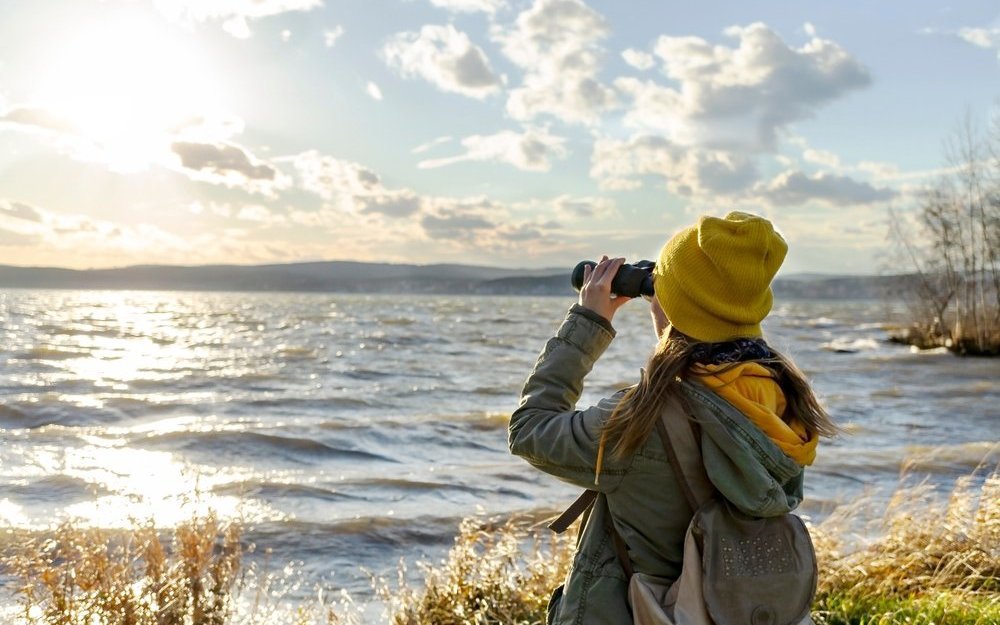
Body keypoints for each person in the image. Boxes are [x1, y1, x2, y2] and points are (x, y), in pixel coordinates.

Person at [509, 211, 837, 625]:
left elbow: (529, 429)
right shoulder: (783, 401)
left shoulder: (641, 419)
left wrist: (588, 322)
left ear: (677, 306)